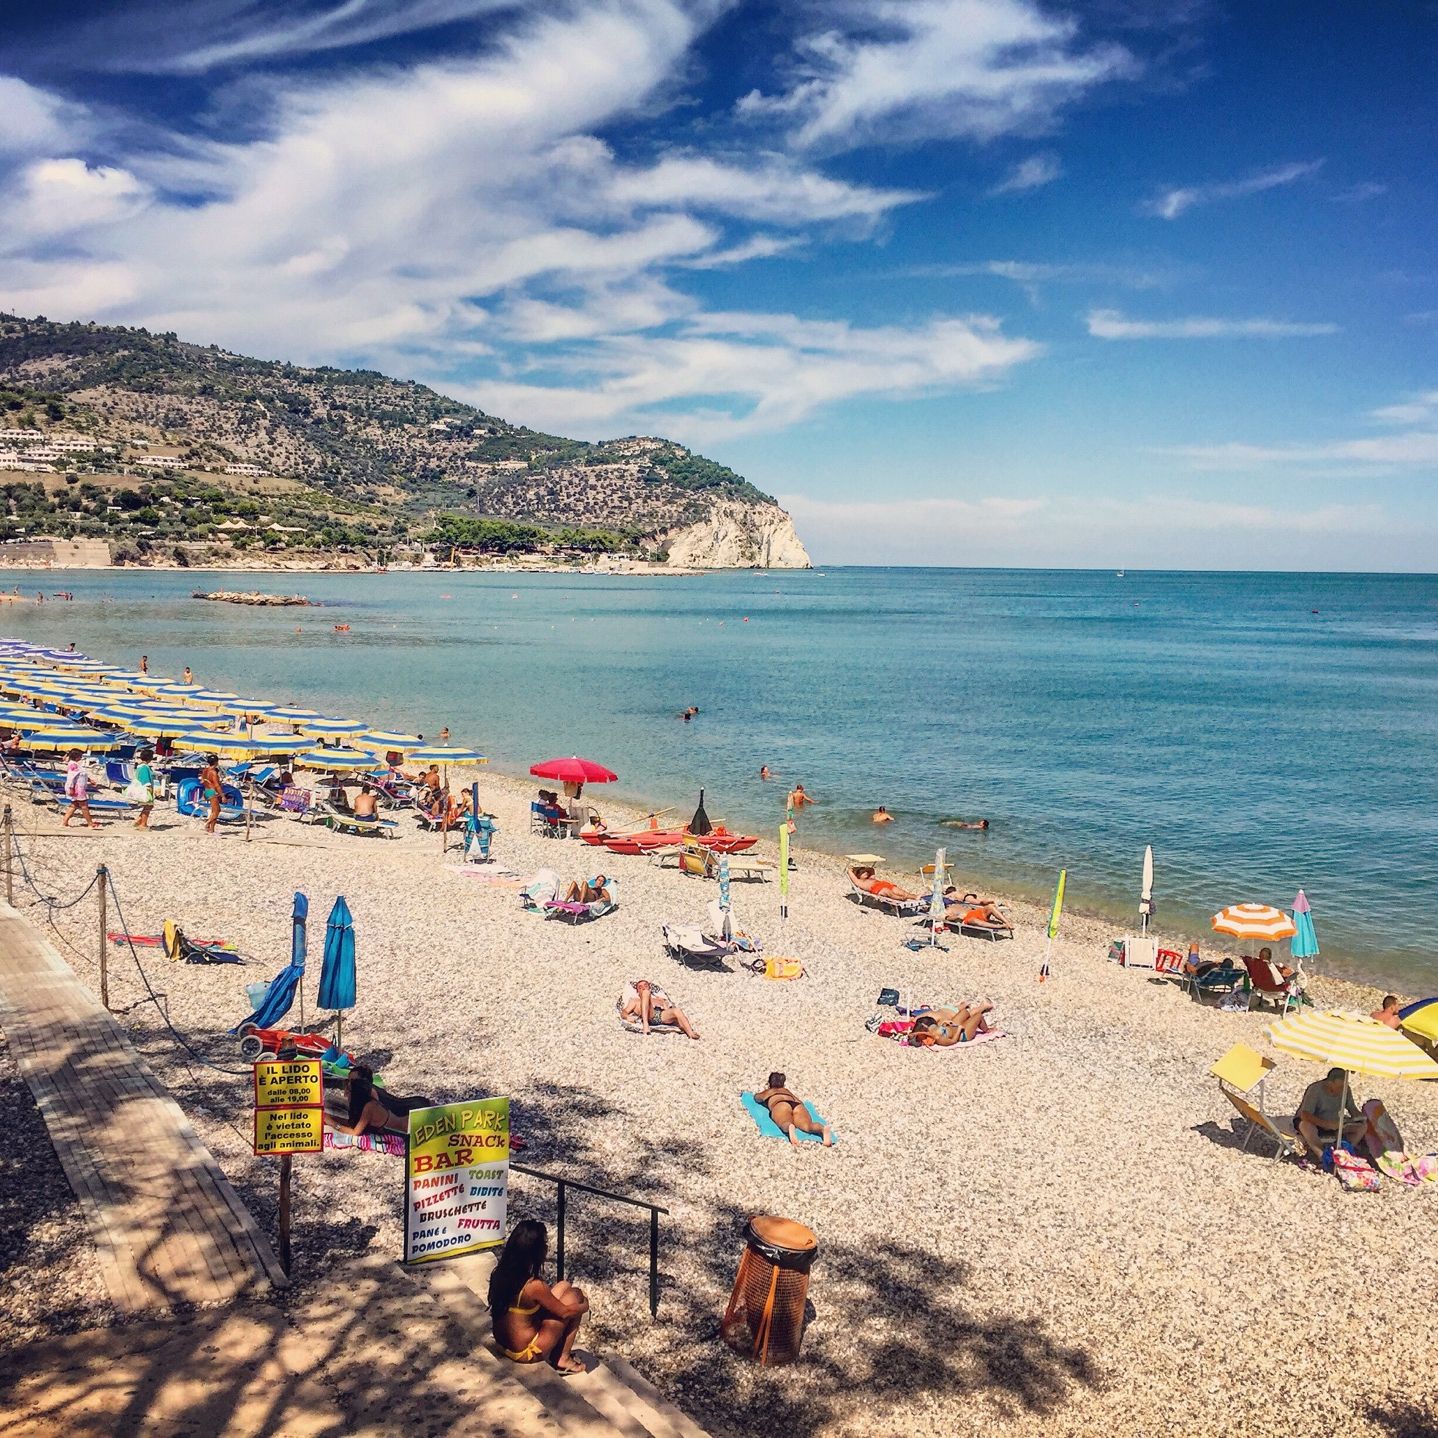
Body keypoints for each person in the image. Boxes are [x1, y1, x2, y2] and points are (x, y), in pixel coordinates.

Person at [488, 1219, 589, 1374]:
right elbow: (565, 1312)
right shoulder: (534, 1286)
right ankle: (563, 1358)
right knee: (575, 1296)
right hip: (525, 1351)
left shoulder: (499, 1273)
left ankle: (561, 1353)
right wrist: (585, 1306)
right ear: (535, 1252)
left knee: (563, 1286)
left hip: (503, 1343)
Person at [331, 1066, 434, 1139]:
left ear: (362, 1081)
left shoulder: (371, 1097)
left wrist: (332, 1123)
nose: (350, 1083)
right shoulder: (368, 1093)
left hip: (413, 1109)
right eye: (349, 1080)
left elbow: (358, 1127)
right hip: (412, 1106)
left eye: (352, 1080)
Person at [1294, 1068, 1366, 1159]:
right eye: (1339, 1087)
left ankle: (1344, 1153)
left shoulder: (1346, 1090)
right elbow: (1305, 1115)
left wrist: (1359, 1117)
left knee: (1362, 1127)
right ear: (1329, 1083)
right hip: (1315, 1123)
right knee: (1305, 1126)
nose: (1341, 1090)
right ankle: (1323, 1156)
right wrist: (1325, 1124)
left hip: (1335, 1124)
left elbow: (1352, 1109)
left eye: (1343, 1086)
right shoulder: (1315, 1089)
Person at [755, 1072, 834, 1148]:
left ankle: (789, 1127)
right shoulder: (787, 1091)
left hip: (780, 1104)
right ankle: (822, 1129)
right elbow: (799, 1101)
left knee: (784, 1122)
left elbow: (757, 1098)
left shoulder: (769, 1091)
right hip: (797, 1105)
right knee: (808, 1126)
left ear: (769, 1083)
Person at [621, 979, 700, 1039]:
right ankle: (646, 1024)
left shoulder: (659, 999)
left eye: (645, 985)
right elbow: (624, 1012)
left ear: (649, 987)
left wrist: (664, 1003)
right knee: (646, 993)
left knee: (677, 1010)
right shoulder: (635, 1000)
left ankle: (690, 1033)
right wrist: (628, 1017)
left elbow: (668, 1011)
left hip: (660, 1016)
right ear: (637, 991)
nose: (643, 988)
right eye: (640, 987)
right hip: (649, 1016)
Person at [911, 1002, 996, 1046]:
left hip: (952, 1026)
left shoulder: (931, 1031)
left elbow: (919, 1033)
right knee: (978, 1016)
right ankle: (987, 1030)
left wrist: (944, 1023)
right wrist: (959, 1029)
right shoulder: (937, 1037)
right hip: (963, 1034)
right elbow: (953, 1041)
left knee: (964, 1012)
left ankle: (977, 1010)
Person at [62, 749, 98, 829]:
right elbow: (71, 777)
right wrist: (71, 788)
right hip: (77, 789)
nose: (81, 757)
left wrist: (89, 780)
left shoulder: (75, 764)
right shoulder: (73, 765)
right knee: (84, 806)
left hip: (79, 787)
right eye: (80, 756)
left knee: (73, 805)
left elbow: (81, 774)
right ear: (77, 756)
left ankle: (64, 822)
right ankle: (90, 824)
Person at [132, 746, 156, 830]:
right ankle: (143, 824)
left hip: (140, 788)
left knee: (148, 806)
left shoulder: (139, 766)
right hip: (145, 789)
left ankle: (139, 819)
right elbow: (145, 779)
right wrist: (149, 788)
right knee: (148, 806)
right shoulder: (145, 767)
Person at [199, 753, 223, 833]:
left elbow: (202, 781)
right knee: (217, 811)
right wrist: (223, 796)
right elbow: (216, 785)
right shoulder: (213, 772)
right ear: (216, 762)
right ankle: (207, 823)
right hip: (212, 791)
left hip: (207, 791)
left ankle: (212, 829)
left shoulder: (205, 770)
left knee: (215, 810)